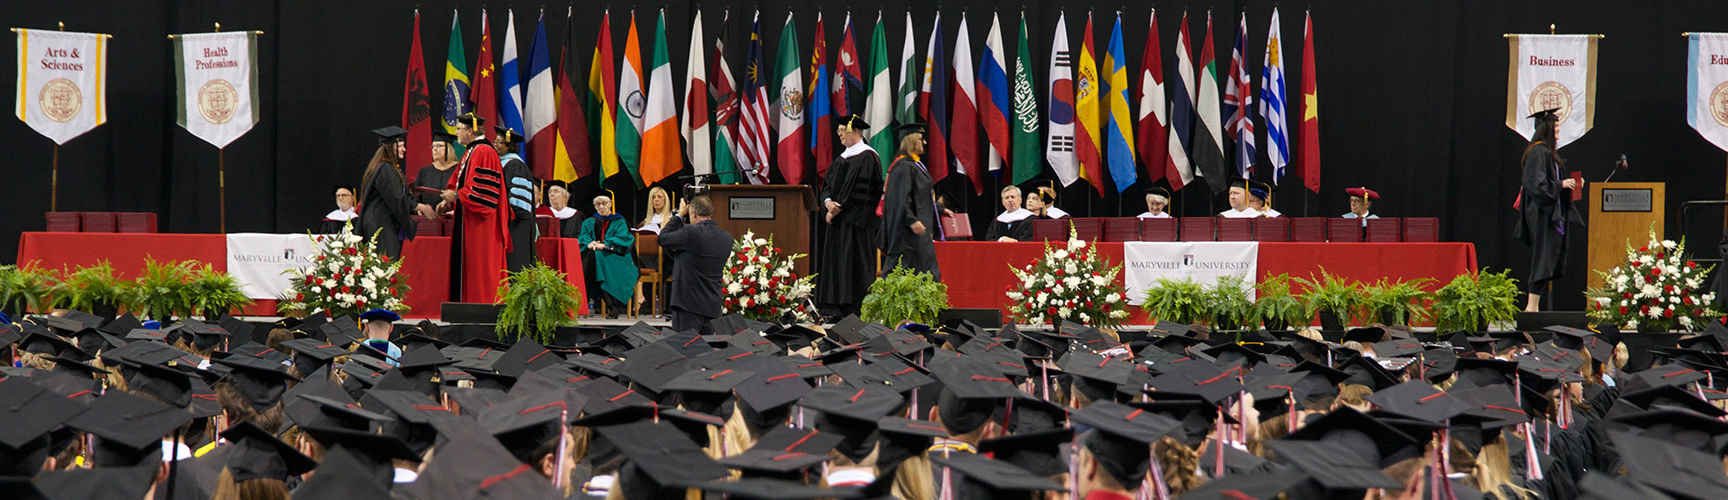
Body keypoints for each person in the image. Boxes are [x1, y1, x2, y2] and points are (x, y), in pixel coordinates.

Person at [1514, 108, 1582, 312]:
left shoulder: (1546, 153)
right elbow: (1536, 185)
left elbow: (1549, 183)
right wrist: (1561, 185)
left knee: (1548, 259)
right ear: (1547, 128)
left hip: (1549, 213)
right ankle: (1531, 307)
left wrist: (1570, 185)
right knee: (1542, 259)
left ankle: (1533, 306)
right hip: (1541, 214)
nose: (1559, 129)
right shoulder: (1538, 152)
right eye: (1556, 126)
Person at [816, 114, 884, 317]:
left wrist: (838, 209)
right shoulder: (841, 160)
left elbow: (861, 191)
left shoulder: (868, 157)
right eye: (838, 131)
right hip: (838, 223)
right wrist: (827, 203)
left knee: (856, 265)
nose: (839, 135)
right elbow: (827, 186)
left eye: (842, 130)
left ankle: (857, 308)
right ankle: (836, 307)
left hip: (857, 224)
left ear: (855, 131)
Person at [439, 113, 511, 304]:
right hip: (470, 220)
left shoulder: (483, 152)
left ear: (470, 131)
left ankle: (481, 307)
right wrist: (449, 198)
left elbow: (483, 194)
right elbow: (457, 181)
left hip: (482, 225)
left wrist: (457, 196)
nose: (456, 133)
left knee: (481, 268)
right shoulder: (472, 151)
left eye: (459, 129)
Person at [659, 195, 733, 334]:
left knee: (686, 351)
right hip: (712, 306)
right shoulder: (726, 237)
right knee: (707, 353)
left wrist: (680, 215)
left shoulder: (691, 232)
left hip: (688, 306)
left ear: (693, 213)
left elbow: (663, 238)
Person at [880, 123, 942, 281]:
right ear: (911, 141)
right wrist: (911, 220)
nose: (925, 143)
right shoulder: (903, 167)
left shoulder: (915, 165)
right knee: (906, 273)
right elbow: (899, 199)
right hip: (907, 235)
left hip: (919, 232)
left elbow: (919, 196)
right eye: (921, 139)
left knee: (926, 272)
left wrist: (939, 209)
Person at [358, 126, 431, 259]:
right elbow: (396, 198)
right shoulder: (386, 169)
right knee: (384, 265)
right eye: (401, 146)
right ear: (391, 147)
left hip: (380, 222)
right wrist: (418, 206)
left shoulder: (384, 167)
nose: (404, 149)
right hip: (380, 225)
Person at [579, 194, 636, 316]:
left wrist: (605, 245)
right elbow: (583, 238)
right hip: (596, 256)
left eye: (604, 203)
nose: (601, 207)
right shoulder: (589, 222)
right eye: (598, 204)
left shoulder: (619, 221)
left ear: (610, 203)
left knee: (593, 259)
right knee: (593, 257)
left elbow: (623, 239)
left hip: (616, 256)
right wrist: (590, 243)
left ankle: (583, 304)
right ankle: (611, 306)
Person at [495, 126, 536, 273]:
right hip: (505, 222)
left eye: (499, 143)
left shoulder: (515, 165)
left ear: (509, 146)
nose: (495, 145)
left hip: (516, 225)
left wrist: (506, 214)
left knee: (514, 265)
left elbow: (520, 205)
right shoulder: (500, 164)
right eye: (495, 142)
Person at [410, 131, 461, 210]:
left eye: (439, 146)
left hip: (453, 218)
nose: (435, 149)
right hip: (428, 218)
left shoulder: (459, 170)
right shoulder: (425, 172)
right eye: (433, 146)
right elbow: (415, 196)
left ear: (449, 148)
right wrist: (419, 209)